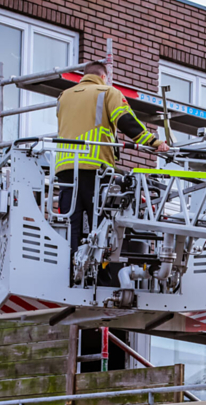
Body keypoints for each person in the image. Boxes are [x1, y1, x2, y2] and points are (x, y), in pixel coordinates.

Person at [56, 61, 170, 261]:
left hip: (65, 168)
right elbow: (126, 122)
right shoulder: (107, 91)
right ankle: (97, 269)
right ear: (103, 77)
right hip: (95, 167)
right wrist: (153, 142)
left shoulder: (64, 96)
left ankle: (69, 266)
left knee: (70, 223)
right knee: (99, 224)